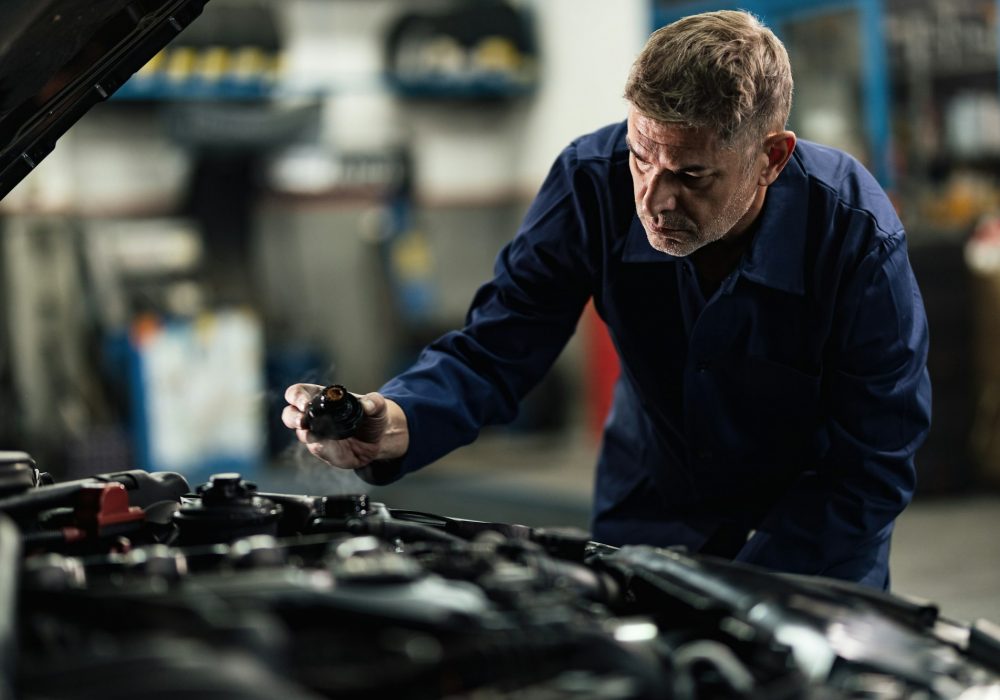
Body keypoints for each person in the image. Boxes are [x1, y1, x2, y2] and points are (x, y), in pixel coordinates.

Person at [283, 10, 931, 589]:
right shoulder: (591, 181)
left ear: (772, 157)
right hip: (651, 510)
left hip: (816, 535)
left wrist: (756, 599)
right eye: (642, 157)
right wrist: (394, 421)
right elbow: (499, 345)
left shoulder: (854, 235)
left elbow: (871, 464)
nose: (654, 196)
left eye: (691, 174)